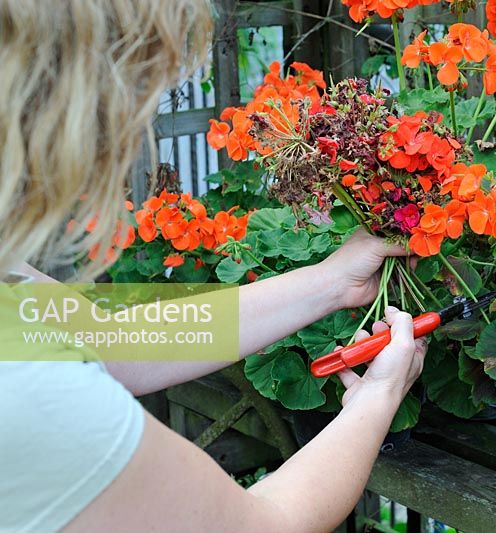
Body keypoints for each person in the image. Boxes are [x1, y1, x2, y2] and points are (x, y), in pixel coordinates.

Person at [0, 1, 426, 531]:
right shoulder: (32, 395)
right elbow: (263, 526)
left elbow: (110, 342)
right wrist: (377, 399)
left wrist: (331, 283)